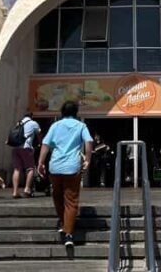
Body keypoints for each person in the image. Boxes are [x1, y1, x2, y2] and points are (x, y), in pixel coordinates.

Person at [37, 101, 92, 248]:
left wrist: (40, 163)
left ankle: (64, 223)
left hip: (55, 166)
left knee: (57, 196)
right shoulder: (81, 126)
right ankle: (68, 233)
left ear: (62, 112)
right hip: (72, 167)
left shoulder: (55, 125)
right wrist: (87, 159)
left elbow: (45, 144)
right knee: (71, 200)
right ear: (76, 112)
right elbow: (88, 142)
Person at [10, 111, 41, 198]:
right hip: (26, 148)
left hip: (15, 148)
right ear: (32, 116)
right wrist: (40, 143)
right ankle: (27, 189)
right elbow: (39, 134)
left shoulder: (19, 123)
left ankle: (15, 192)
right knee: (30, 169)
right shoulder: (33, 123)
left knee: (16, 169)